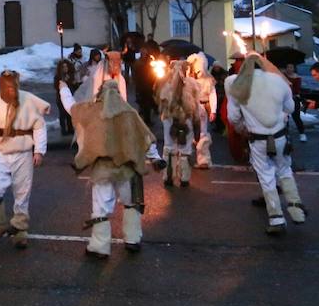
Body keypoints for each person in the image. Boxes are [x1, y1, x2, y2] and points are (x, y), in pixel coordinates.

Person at [68, 77, 162, 258]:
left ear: (101, 93)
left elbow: (73, 112)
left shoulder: (94, 113)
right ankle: (132, 240)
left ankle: (100, 247)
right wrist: (155, 158)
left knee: (101, 207)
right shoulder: (130, 113)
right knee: (131, 202)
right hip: (127, 168)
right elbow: (145, 137)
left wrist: (64, 89)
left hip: (103, 169)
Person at [225, 53, 306, 235]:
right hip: (280, 137)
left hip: (257, 139)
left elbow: (233, 117)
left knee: (266, 176)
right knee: (285, 169)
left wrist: (242, 128)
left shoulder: (240, 86)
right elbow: (290, 108)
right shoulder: (278, 81)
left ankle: (276, 218)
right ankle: (296, 209)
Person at [0, 70, 49, 248]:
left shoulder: (28, 100)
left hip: (23, 153)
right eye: (6, 87)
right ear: (1, 85)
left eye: (13, 87)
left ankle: (20, 230)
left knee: (22, 193)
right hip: (1, 153)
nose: (11, 91)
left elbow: (39, 127)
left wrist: (39, 151)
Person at [158, 58, 197, 187]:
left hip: (169, 119)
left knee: (169, 147)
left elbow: (161, 101)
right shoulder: (192, 84)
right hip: (186, 119)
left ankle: (168, 176)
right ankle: (184, 178)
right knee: (185, 148)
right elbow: (195, 105)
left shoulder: (164, 85)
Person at [185, 52, 217, 168]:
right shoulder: (188, 80)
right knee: (189, 132)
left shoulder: (208, 80)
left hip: (202, 109)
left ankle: (203, 160)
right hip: (191, 109)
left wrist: (213, 110)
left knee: (202, 134)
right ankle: (186, 157)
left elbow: (212, 94)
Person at [53, 56, 77, 137]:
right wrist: (63, 81)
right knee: (62, 114)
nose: (65, 68)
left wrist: (71, 81)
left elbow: (74, 85)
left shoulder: (70, 75)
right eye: (63, 67)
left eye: (66, 66)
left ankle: (70, 128)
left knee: (69, 114)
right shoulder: (58, 77)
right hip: (60, 98)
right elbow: (56, 86)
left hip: (70, 96)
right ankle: (63, 129)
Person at [283, 61, 307, 142]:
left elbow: (297, 90)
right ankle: (286, 135)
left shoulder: (297, 78)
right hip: (284, 99)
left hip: (294, 99)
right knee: (285, 117)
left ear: (294, 68)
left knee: (296, 117)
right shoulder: (283, 76)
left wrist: (291, 85)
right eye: (288, 67)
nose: (289, 69)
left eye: (291, 67)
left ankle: (302, 134)